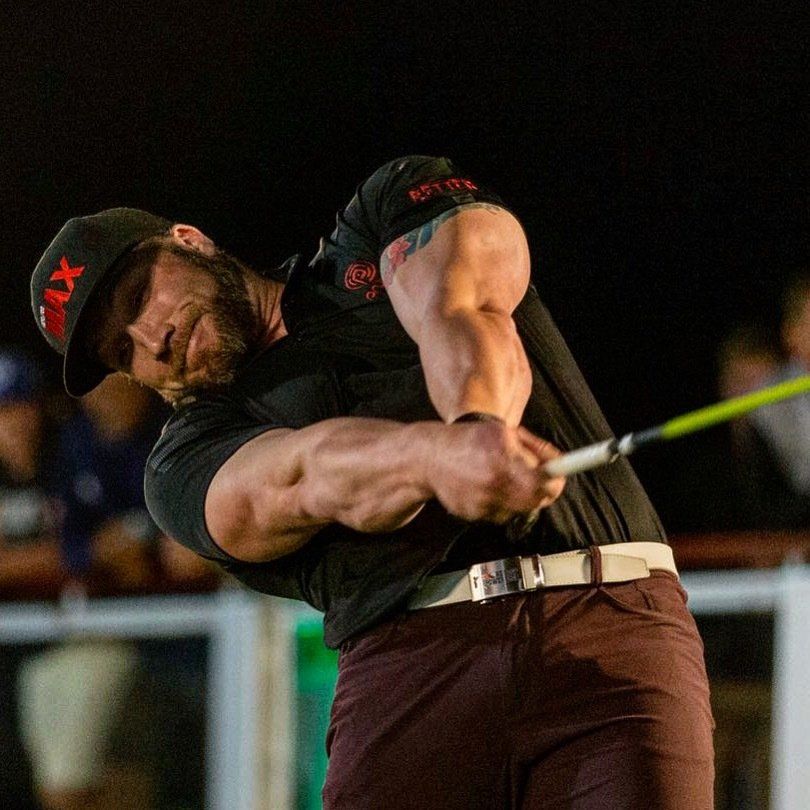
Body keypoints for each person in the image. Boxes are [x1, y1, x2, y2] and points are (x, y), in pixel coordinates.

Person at [31, 156, 714, 808]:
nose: (150, 339)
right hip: (408, 675)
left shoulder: (384, 213)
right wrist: (434, 459)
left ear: (190, 242)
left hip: (609, 619)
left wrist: (478, 422)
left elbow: (460, 300)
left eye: (140, 295)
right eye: (121, 350)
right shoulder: (181, 462)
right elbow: (302, 476)